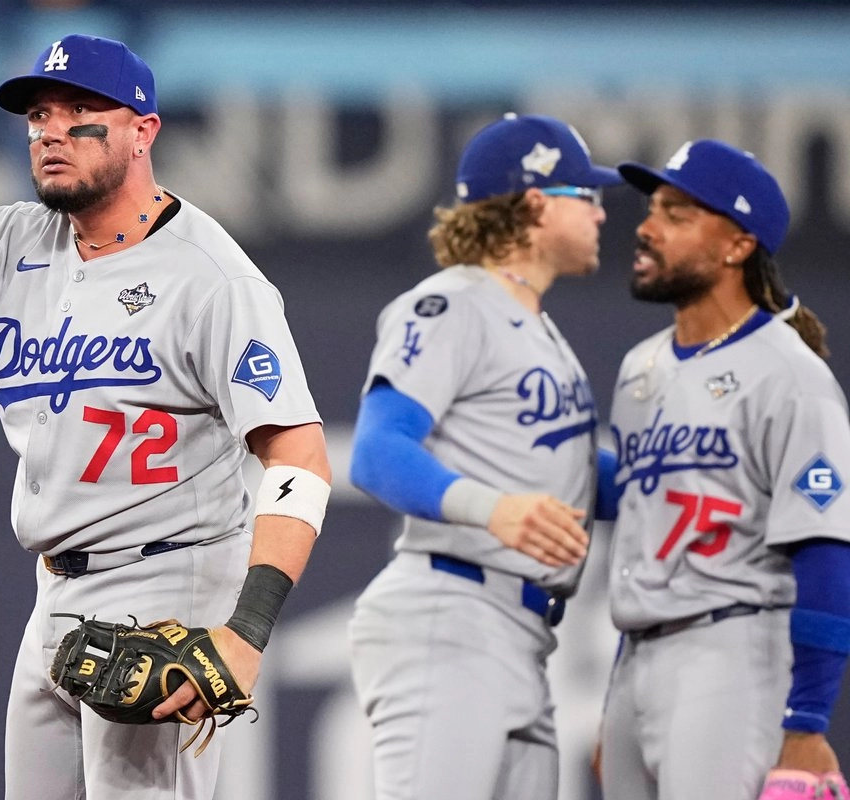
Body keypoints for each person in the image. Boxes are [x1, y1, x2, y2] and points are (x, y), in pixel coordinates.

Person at [0, 34, 332, 800]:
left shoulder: (213, 278)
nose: (50, 130)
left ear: (143, 131)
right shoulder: (12, 240)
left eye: (80, 110)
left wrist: (246, 631)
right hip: (53, 592)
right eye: (39, 114)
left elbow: (300, 459)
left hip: (167, 588)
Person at [345, 113, 623, 799]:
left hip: (520, 635)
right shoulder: (452, 303)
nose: (600, 212)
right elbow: (377, 452)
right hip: (451, 613)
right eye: (583, 194)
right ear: (534, 203)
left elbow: (582, 480)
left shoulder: (535, 324)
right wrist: (491, 509)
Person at [598, 139, 850, 800]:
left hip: (732, 654)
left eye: (678, 214)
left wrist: (807, 720)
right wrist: (621, 698)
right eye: (652, 209)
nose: (648, 228)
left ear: (737, 246)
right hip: (636, 659)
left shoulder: (792, 376)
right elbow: (641, 540)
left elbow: (824, 550)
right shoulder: (639, 369)